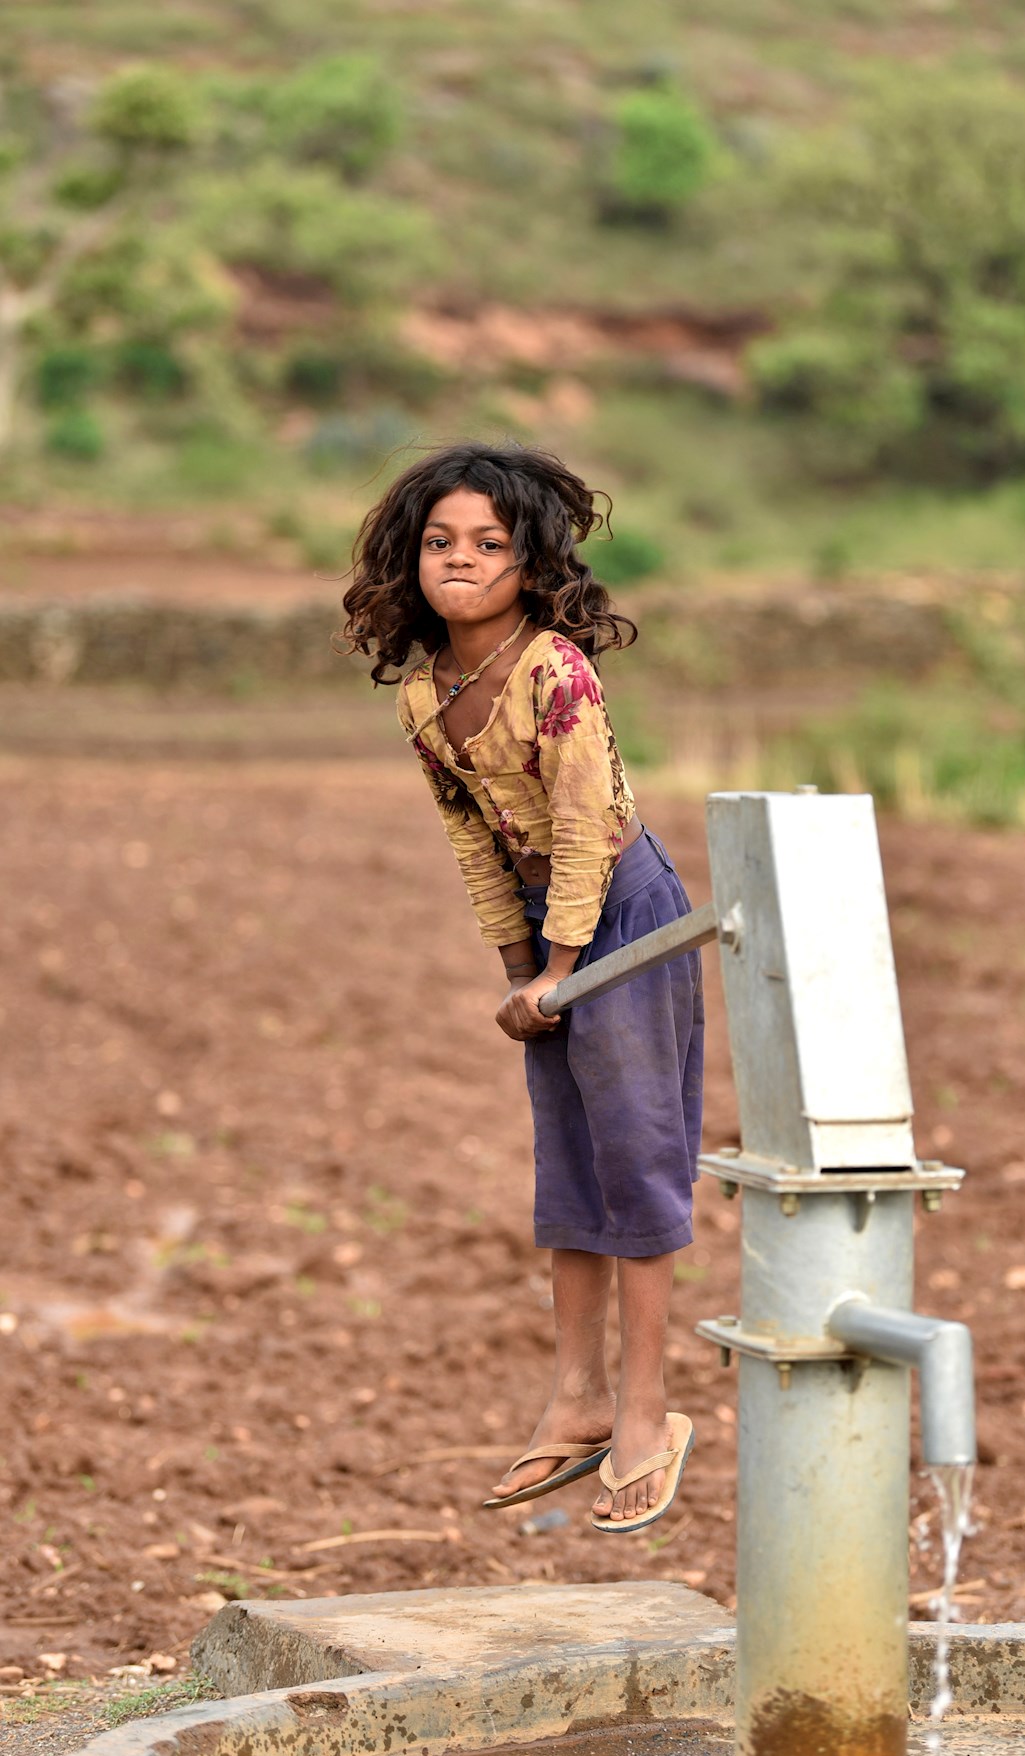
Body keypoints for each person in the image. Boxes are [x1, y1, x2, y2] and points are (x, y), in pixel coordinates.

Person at [342, 442, 701, 1534]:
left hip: (626, 917)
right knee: (574, 1170)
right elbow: (475, 845)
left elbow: (587, 827)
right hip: (552, 934)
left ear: (531, 566)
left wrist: (561, 970)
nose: (461, 561)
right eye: (441, 543)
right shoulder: (424, 697)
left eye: (488, 546)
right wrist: (519, 972)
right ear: (409, 563)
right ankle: (577, 1398)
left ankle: (646, 1411)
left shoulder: (555, 673)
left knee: (637, 1164)